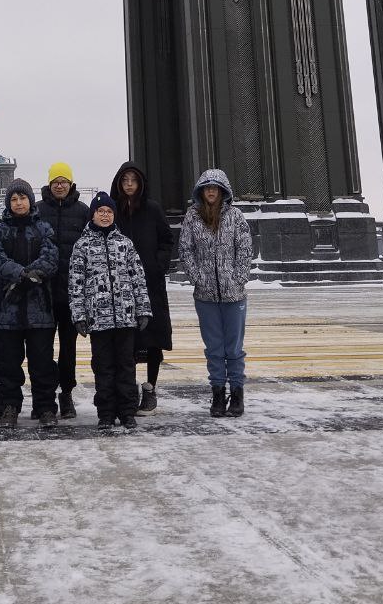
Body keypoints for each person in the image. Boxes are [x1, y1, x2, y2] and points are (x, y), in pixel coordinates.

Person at [69, 191, 152, 431]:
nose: (105, 215)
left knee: (126, 366)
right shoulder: (82, 245)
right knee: (103, 367)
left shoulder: (125, 244)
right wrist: (79, 315)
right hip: (98, 320)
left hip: (125, 318)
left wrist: (143, 309)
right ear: (92, 215)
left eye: (108, 211)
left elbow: (138, 279)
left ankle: (127, 411)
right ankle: (105, 413)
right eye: (100, 211)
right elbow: (76, 284)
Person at [178, 168, 253, 417]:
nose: (211, 191)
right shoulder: (192, 217)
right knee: (214, 348)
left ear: (222, 191)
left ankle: (237, 394)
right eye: (207, 187)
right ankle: (218, 394)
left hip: (234, 295)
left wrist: (238, 278)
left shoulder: (235, 216)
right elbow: (186, 249)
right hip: (205, 296)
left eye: (215, 187)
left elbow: (245, 249)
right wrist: (197, 278)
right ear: (201, 191)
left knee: (234, 349)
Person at [0, 179, 60, 429]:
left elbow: (50, 259)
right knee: (7, 364)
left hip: (40, 311)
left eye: (23, 198)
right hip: (7, 311)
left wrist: (27, 278)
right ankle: (10, 406)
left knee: (43, 363)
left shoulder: (43, 228)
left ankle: (45, 407)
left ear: (30, 200)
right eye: (14, 199)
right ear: (9, 203)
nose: (19, 203)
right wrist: (22, 275)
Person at [109, 161, 174, 415]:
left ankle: (150, 388)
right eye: (125, 180)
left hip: (150, 284)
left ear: (140, 183)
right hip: (122, 287)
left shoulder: (152, 209)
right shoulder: (114, 210)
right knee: (128, 340)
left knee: (153, 338)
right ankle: (129, 389)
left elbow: (167, 240)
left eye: (133, 180)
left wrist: (158, 265)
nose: (129, 185)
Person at [37, 161, 89, 418]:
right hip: (43, 294)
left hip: (71, 294)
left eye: (64, 182)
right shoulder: (37, 211)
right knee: (42, 349)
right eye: (56, 182)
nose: (59, 186)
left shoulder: (83, 212)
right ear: (49, 184)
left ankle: (66, 393)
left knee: (68, 349)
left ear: (70, 184)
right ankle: (45, 397)